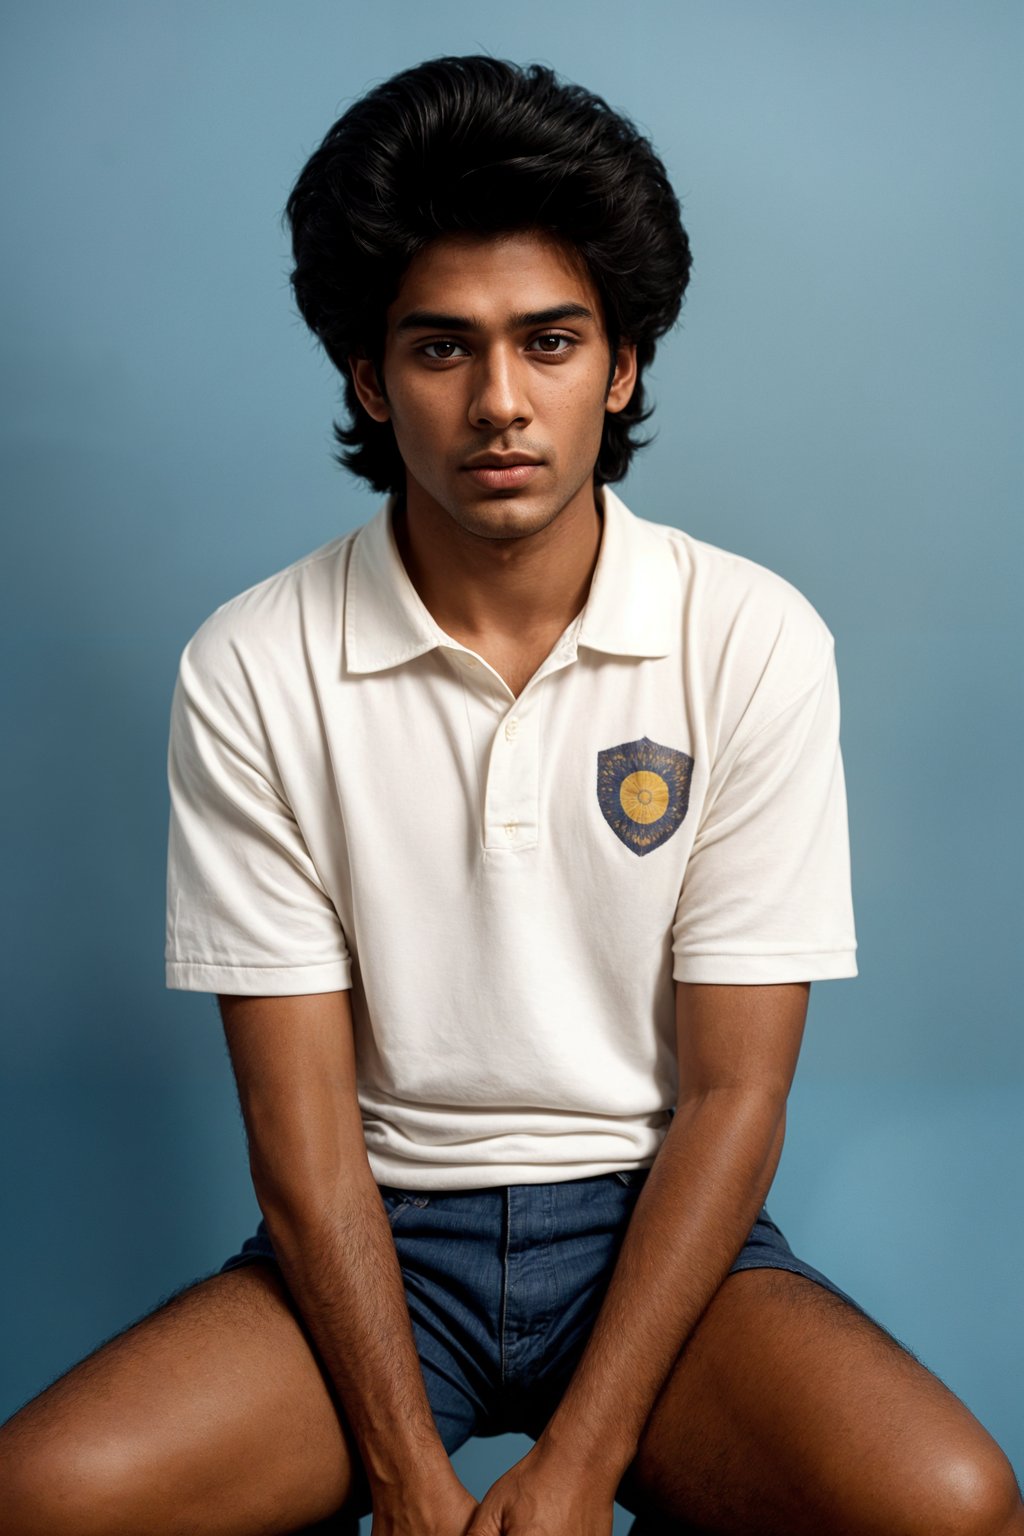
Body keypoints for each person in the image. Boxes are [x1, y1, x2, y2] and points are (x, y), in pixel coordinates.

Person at [1, 54, 1020, 1536]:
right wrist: (417, 1488)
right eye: (440, 349)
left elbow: (738, 1094)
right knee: (46, 1499)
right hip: (378, 1241)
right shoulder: (254, 662)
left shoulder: (749, 636)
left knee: (951, 1505)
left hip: (656, 1228)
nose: (500, 404)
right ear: (367, 375)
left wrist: (580, 1466)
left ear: (619, 367)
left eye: (549, 343)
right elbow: (299, 1137)